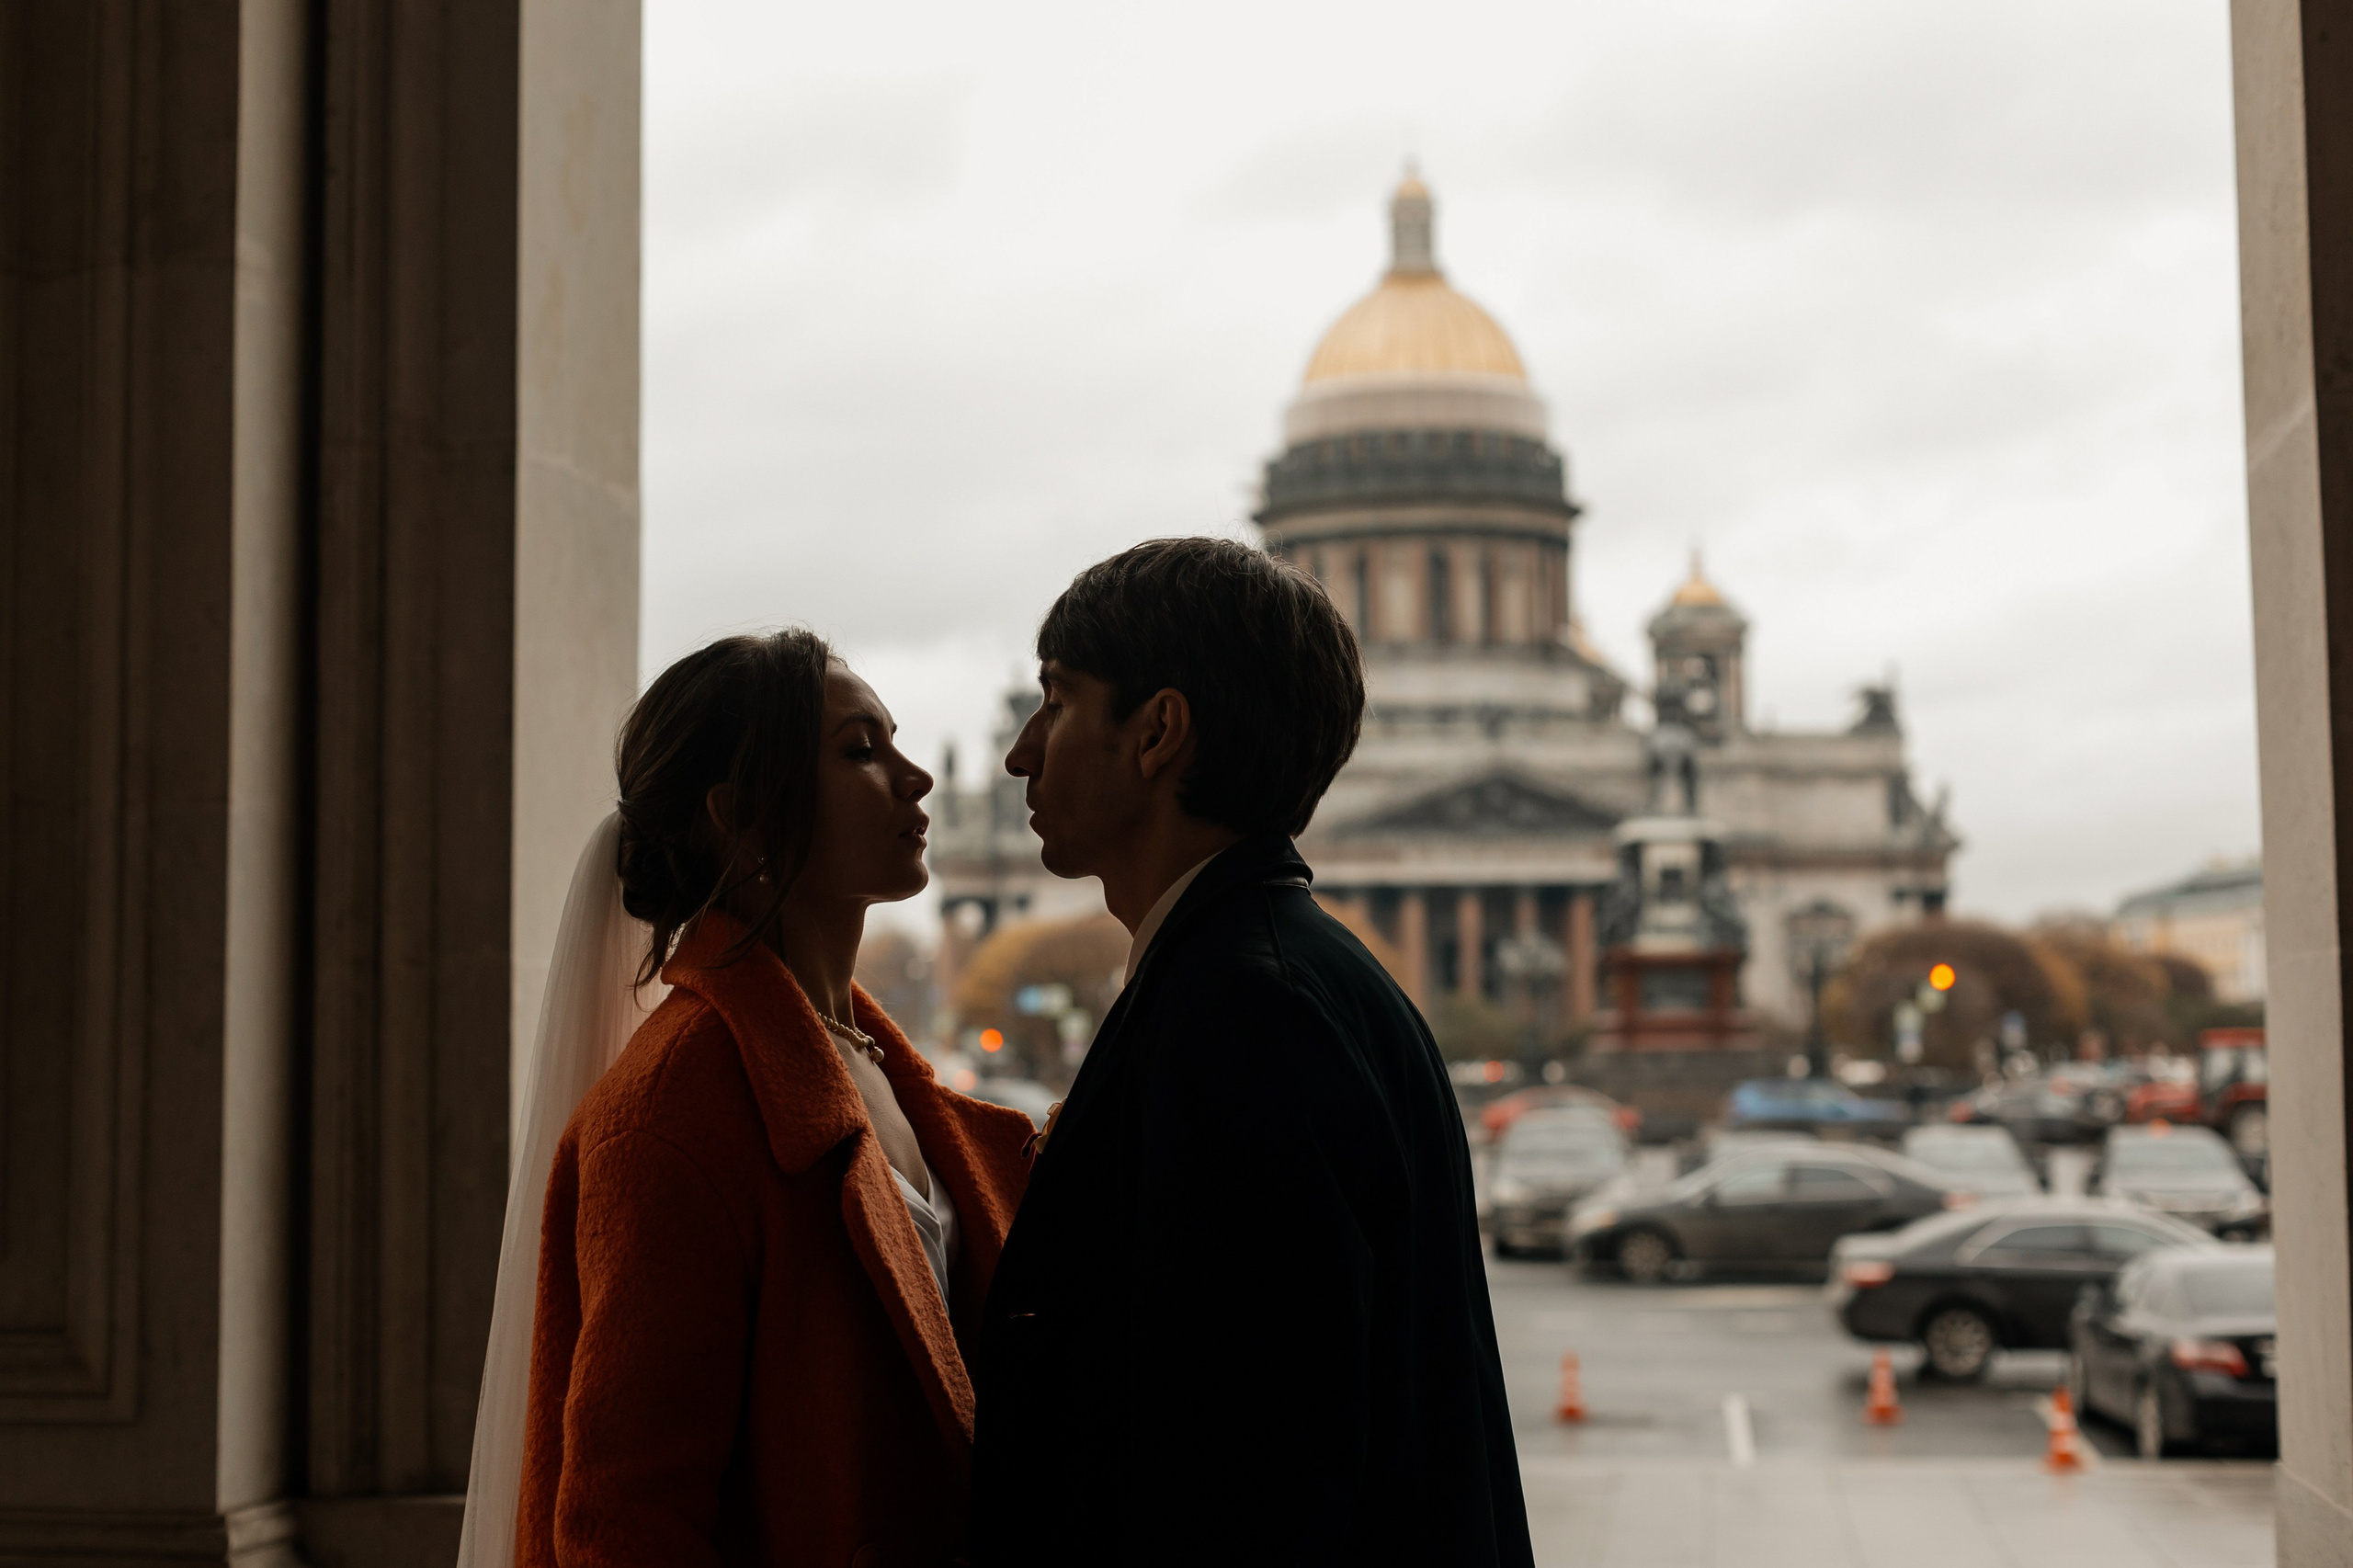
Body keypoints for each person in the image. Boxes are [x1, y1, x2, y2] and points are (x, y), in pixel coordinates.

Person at [968, 539, 1534, 1566]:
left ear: (1157, 732)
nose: (1019, 750)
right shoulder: (1296, 975)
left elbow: (1243, 1478)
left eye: (1056, 699)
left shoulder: (1241, 1011)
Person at [457, 629, 1036, 1568]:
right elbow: (625, 1523)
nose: (918, 775)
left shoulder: (872, 1066)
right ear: (746, 817)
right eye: (860, 750)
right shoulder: (670, 1113)